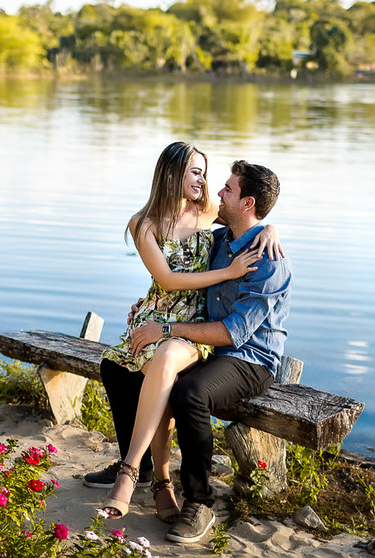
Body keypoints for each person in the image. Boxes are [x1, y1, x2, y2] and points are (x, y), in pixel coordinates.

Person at [94, 157, 291, 544]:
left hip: (251, 358)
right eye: (206, 177)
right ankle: (147, 470)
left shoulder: (265, 261)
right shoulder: (221, 239)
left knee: (189, 392)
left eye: (228, 188)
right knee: (118, 368)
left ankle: (199, 502)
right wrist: (268, 225)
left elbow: (234, 333)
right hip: (211, 348)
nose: (218, 190)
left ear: (246, 203)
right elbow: (177, 267)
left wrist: (167, 328)